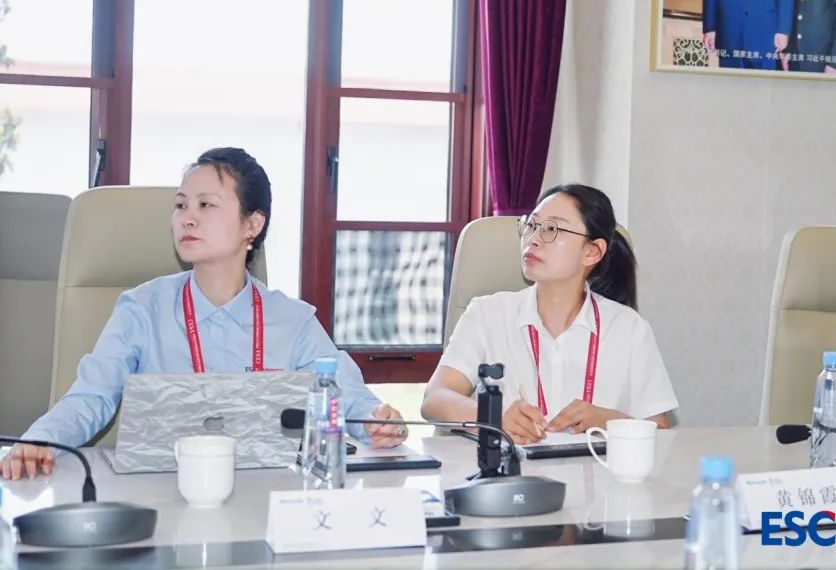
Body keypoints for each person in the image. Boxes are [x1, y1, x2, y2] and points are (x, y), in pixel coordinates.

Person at [1, 147, 405, 481]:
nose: (187, 217)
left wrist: (376, 421)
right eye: (181, 205)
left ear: (252, 224)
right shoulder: (142, 308)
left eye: (206, 204)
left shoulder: (292, 320)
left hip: (262, 498)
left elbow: (345, 395)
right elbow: (92, 397)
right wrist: (41, 439)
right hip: (160, 493)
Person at [420, 184, 678, 445]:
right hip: (509, 469)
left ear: (592, 252)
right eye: (531, 225)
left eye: (552, 229)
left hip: (596, 470)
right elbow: (435, 399)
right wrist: (492, 417)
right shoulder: (488, 313)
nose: (533, 239)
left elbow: (660, 432)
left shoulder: (628, 327)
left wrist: (610, 421)